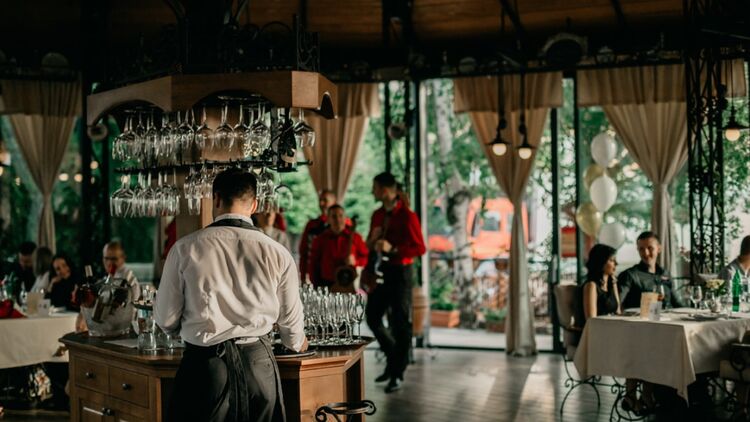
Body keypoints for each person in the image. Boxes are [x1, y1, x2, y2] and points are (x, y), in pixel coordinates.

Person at [155, 168, 306, 422]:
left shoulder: (185, 248)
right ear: (255, 204)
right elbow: (292, 332)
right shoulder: (278, 253)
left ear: (215, 199)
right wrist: (298, 341)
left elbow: (165, 319)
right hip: (258, 366)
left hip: (205, 368)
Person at [365, 172, 426, 393]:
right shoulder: (377, 214)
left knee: (401, 323)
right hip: (380, 271)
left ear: (384, 190)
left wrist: (394, 249)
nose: (372, 192)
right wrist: (371, 242)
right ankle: (393, 360)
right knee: (372, 316)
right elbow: (370, 244)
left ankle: (397, 373)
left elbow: (420, 248)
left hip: (401, 273)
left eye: (375, 188)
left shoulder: (408, 216)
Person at [619, 231, 685, 309]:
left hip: (669, 316)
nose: (646, 253)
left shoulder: (666, 273)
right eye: (641, 249)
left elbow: (678, 304)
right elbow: (617, 305)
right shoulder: (629, 275)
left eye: (650, 248)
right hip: (643, 316)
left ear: (659, 249)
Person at [309, 205, 368, 289]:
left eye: (341, 216)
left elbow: (365, 257)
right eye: (334, 216)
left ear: (345, 218)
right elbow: (313, 264)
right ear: (328, 219)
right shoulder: (320, 239)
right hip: (326, 284)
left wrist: (356, 261)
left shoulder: (356, 237)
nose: (338, 220)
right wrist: (315, 285)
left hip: (349, 284)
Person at [575, 244, 621, 329]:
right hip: (598, 331)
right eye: (611, 260)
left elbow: (618, 312)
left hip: (612, 328)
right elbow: (592, 321)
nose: (616, 263)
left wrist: (614, 284)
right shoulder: (591, 286)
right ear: (601, 262)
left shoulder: (612, 283)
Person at [298, 189, 337, 283]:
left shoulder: (343, 226)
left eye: (325, 200)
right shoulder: (312, 225)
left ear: (334, 202)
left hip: (336, 276)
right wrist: (303, 276)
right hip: (314, 274)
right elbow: (304, 252)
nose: (321, 203)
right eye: (320, 200)